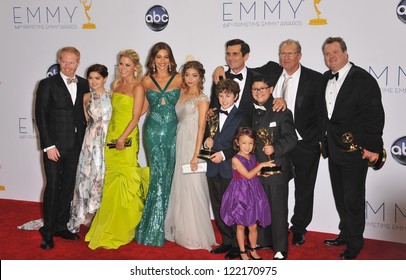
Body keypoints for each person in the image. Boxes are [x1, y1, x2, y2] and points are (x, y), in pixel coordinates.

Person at [320, 37, 385, 260]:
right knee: (340, 197)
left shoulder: (363, 80)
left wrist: (373, 148)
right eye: (327, 54)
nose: (331, 57)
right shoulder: (324, 79)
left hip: (356, 151)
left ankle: (355, 242)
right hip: (333, 149)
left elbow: (375, 117)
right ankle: (345, 233)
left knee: (353, 199)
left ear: (346, 53)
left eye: (335, 52)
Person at [85, 49, 149, 249]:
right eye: (121, 64)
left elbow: (136, 116)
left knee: (125, 180)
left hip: (126, 138)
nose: (123, 68)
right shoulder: (115, 85)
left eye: (127, 65)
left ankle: (121, 228)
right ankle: (107, 225)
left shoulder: (138, 87)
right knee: (111, 182)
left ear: (136, 68)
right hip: (110, 136)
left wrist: (123, 137)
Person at [35, 46, 89, 250]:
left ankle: (60, 225)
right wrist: (48, 145)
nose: (67, 65)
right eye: (64, 61)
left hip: (76, 146)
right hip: (54, 147)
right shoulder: (47, 84)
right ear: (59, 61)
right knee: (52, 186)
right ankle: (47, 232)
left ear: (78, 63)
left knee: (68, 187)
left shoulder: (84, 84)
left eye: (72, 62)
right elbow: (40, 116)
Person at [271, 39, 324, 246]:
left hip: (304, 143)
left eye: (290, 53)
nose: (286, 57)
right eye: (283, 53)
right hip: (278, 143)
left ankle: (299, 228)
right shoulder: (271, 74)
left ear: (299, 56)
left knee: (304, 188)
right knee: (275, 186)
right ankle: (276, 226)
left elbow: (323, 112)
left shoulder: (315, 79)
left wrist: (318, 140)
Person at [164, 60, 216, 250]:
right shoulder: (181, 94)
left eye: (195, 75)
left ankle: (196, 234)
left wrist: (196, 155)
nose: (191, 79)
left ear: (201, 77)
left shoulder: (202, 99)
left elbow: (202, 128)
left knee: (194, 187)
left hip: (192, 145)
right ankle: (183, 230)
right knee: (181, 187)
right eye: (187, 75)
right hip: (180, 141)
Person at [135, 42, 182, 247]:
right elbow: (142, 108)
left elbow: (191, 97)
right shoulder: (146, 80)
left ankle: (170, 224)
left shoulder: (180, 78)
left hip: (173, 131)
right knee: (157, 175)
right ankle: (153, 226)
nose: (162, 61)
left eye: (166, 57)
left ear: (170, 59)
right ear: (152, 60)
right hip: (152, 131)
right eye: (159, 57)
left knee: (171, 174)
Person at [251, 75, 298, 260]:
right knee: (261, 206)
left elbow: (291, 138)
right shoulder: (251, 111)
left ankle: (280, 247)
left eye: (262, 88)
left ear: (271, 89)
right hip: (256, 168)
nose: (259, 92)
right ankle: (264, 240)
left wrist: (275, 148)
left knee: (278, 209)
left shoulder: (281, 110)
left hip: (277, 168)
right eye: (255, 89)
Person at [205, 78, 250, 259]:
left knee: (232, 207)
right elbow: (208, 136)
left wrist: (223, 154)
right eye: (221, 95)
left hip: (231, 167)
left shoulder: (242, 116)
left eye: (228, 96)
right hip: (212, 167)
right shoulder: (213, 114)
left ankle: (236, 244)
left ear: (236, 96)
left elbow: (242, 144)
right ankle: (225, 240)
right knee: (217, 205)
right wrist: (206, 142)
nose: (223, 100)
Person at [67, 64, 112, 233]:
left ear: (105, 78)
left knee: (103, 174)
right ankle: (86, 213)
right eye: (91, 78)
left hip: (108, 138)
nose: (93, 82)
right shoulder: (86, 97)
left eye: (97, 78)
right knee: (89, 174)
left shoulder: (112, 95)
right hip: (91, 139)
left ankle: (101, 214)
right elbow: (87, 121)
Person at [220, 127, 273, 260]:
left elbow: (254, 173)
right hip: (240, 195)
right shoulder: (235, 159)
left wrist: (263, 173)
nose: (247, 146)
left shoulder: (253, 157)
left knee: (253, 225)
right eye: (244, 143)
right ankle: (242, 251)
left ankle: (253, 249)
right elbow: (248, 175)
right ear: (237, 142)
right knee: (241, 224)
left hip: (253, 192)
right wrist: (260, 166)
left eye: (250, 143)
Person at [211, 39, 284, 117]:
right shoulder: (220, 76)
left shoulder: (256, 77)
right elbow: (214, 106)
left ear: (246, 56)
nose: (230, 58)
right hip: (224, 128)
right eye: (228, 54)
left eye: (235, 54)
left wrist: (280, 100)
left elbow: (276, 67)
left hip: (250, 127)